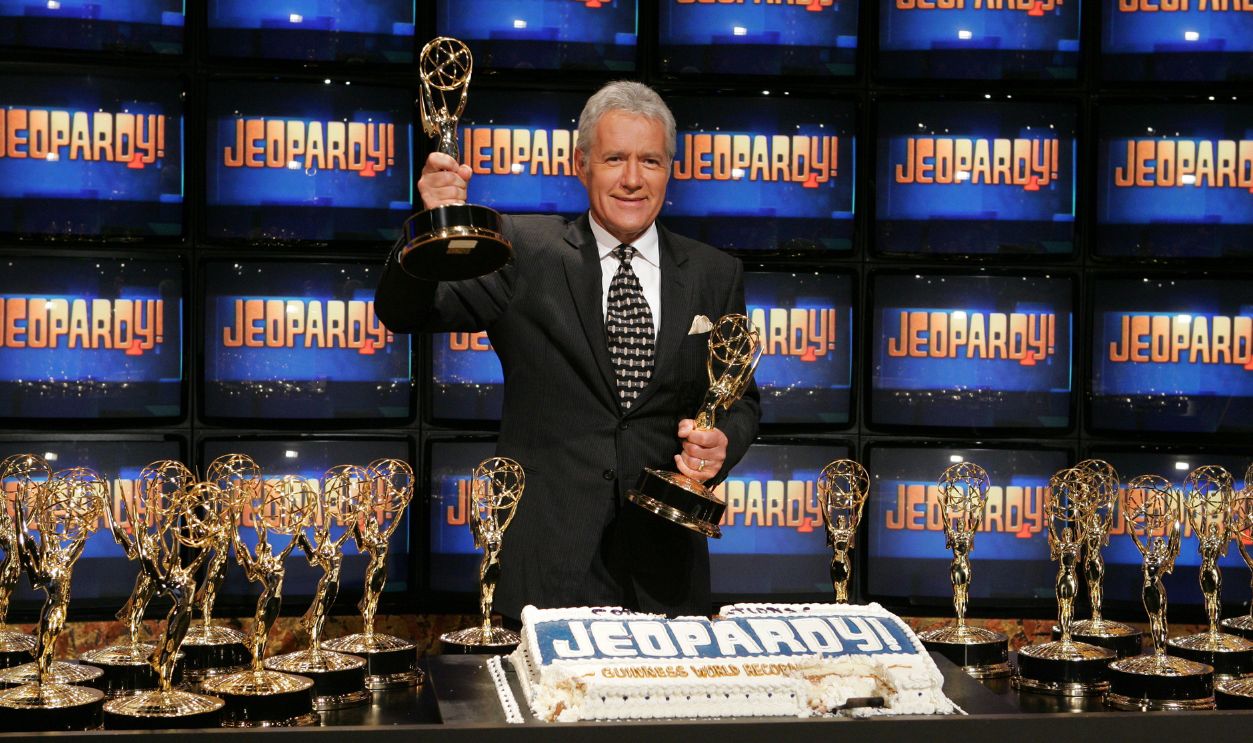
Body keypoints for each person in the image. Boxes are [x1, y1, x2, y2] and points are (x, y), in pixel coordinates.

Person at [375, 80, 760, 619]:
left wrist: (723, 443)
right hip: (544, 567)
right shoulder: (521, 249)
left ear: (671, 169)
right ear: (582, 165)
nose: (632, 179)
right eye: (614, 159)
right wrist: (432, 224)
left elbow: (740, 400)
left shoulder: (715, 273)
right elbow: (407, 312)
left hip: (664, 574)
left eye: (650, 161)